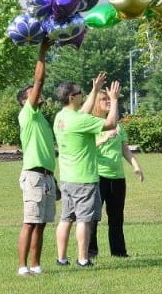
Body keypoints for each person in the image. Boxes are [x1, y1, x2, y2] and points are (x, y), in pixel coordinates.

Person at [53, 75, 120, 268]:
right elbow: (111, 123)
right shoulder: (81, 121)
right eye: (80, 93)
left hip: (67, 178)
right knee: (84, 220)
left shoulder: (61, 117)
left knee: (66, 219)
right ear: (72, 97)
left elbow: (83, 111)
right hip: (84, 178)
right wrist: (114, 100)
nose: (82, 95)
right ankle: (83, 259)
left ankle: (62, 258)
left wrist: (95, 89)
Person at [87, 89, 144, 259]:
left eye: (109, 99)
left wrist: (136, 166)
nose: (108, 101)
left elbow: (124, 149)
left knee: (117, 217)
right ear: (96, 103)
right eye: (104, 99)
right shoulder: (91, 124)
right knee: (93, 217)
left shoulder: (118, 126)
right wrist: (103, 139)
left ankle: (119, 252)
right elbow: (86, 149)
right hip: (98, 177)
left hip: (118, 178)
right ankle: (90, 252)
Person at [16, 39, 55, 277]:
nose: (37, 92)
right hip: (33, 176)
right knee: (30, 222)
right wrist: (42, 52)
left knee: (41, 224)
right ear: (25, 100)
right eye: (32, 92)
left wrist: (53, 178)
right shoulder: (27, 114)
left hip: (46, 176)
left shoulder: (41, 118)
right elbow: (39, 80)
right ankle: (23, 267)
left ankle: (36, 265)